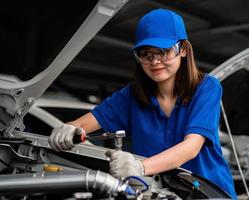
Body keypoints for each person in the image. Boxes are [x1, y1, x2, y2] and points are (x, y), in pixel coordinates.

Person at [48, 9, 237, 199]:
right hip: (156, 194)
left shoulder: (207, 88)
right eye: (145, 53)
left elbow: (191, 147)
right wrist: (68, 128)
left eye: (163, 51)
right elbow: (82, 125)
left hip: (210, 194)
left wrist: (139, 167)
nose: (154, 61)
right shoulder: (129, 96)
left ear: (184, 50)